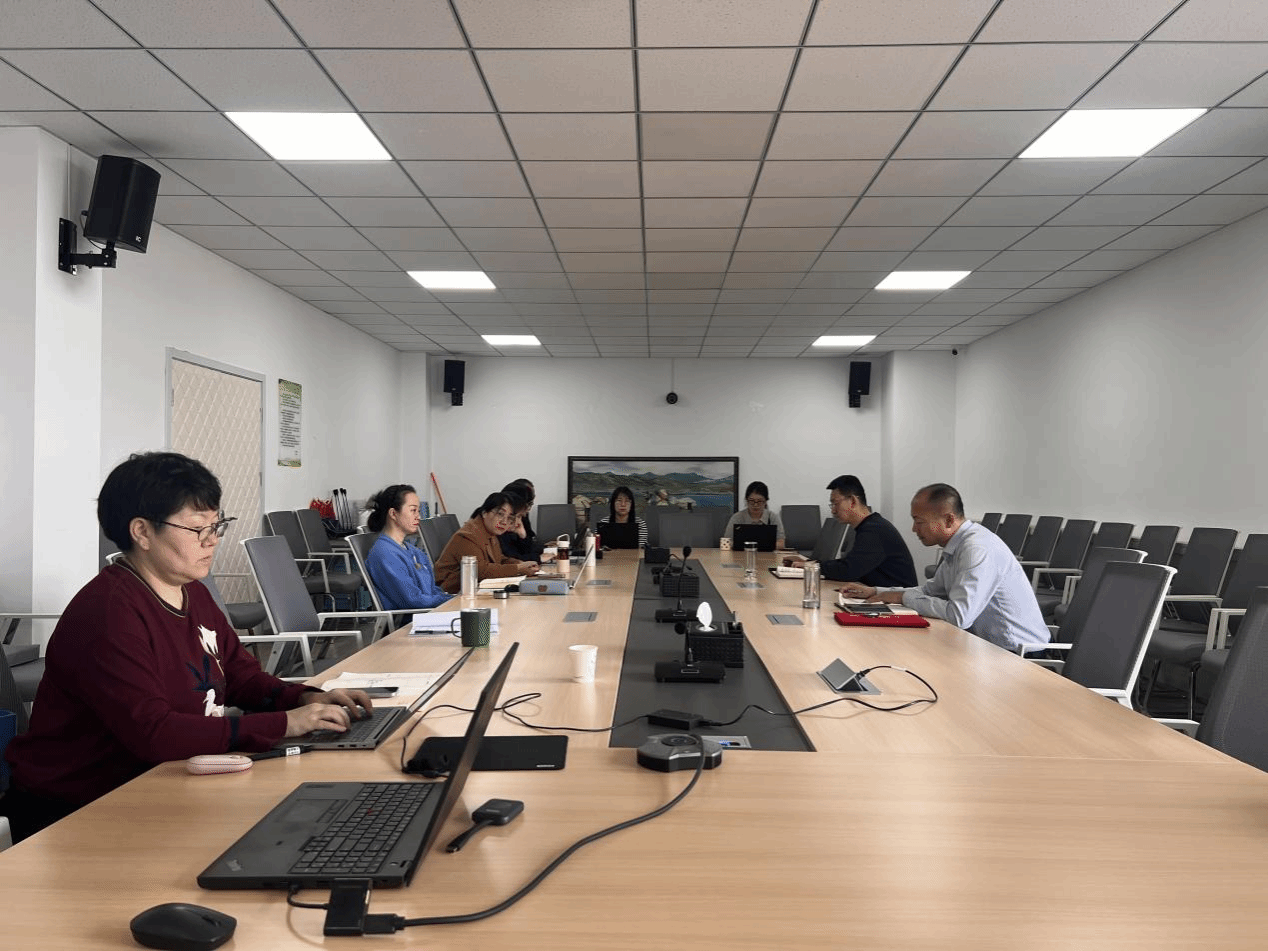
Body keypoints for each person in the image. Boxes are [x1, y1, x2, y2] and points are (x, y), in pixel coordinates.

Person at [0, 451, 372, 844]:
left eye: (217, 525)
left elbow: (241, 677)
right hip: (78, 814)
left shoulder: (192, 592)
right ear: (142, 532)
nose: (212, 541)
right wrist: (286, 724)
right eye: (197, 529)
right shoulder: (108, 612)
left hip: (161, 786)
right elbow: (155, 733)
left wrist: (307, 698)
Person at [840, 483, 1050, 653]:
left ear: (948, 519)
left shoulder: (976, 549)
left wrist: (902, 597)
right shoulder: (958, 545)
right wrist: (878, 592)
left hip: (1018, 655)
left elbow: (959, 616)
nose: (913, 529)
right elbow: (931, 591)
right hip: (988, 647)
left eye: (919, 522)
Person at [785, 475, 916, 587]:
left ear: (853, 501)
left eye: (836, 503)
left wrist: (811, 566)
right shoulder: (869, 526)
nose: (833, 510)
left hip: (898, 604)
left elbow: (848, 571)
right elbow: (849, 564)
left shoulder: (875, 529)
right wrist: (809, 563)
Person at [363, 484, 450, 611]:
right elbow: (413, 601)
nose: (418, 516)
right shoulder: (385, 554)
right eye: (413, 510)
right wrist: (452, 600)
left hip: (429, 612)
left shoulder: (414, 551)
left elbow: (432, 591)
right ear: (393, 513)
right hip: (413, 619)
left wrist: (455, 598)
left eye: (418, 511)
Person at [434, 492, 540, 593]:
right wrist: (518, 568)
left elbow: (499, 559)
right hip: (450, 594)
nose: (504, 522)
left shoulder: (489, 532)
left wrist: (519, 563)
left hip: (473, 590)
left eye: (510, 518)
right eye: (500, 514)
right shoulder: (468, 536)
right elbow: (480, 571)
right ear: (484, 513)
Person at [725, 480, 785, 548]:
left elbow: (781, 543)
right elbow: (727, 542)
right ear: (746, 500)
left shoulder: (772, 517)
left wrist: (754, 545)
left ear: (766, 501)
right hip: (742, 554)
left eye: (760, 501)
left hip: (767, 554)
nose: (755, 505)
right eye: (752, 501)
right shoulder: (737, 517)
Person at [499, 478, 545, 562]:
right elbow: (508, 558)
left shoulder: (521, 518)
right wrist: (538, 558)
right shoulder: (499, 524)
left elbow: (531, 547)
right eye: (529, 504)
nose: (527, 511)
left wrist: (522, 535)